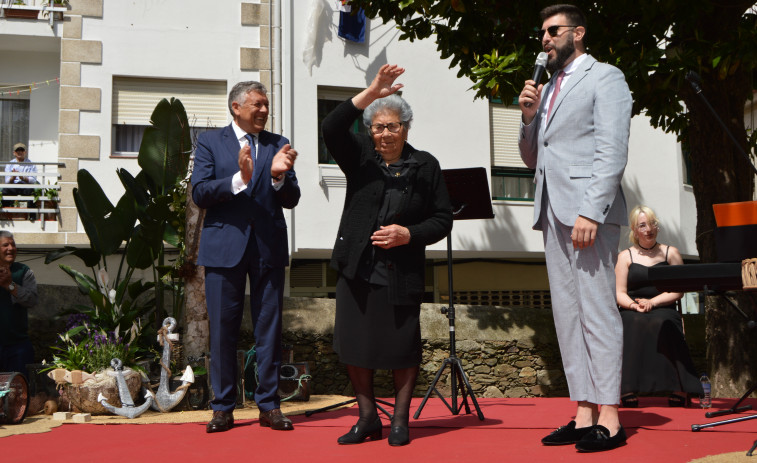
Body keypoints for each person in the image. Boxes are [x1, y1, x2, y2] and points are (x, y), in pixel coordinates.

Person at [518, 4, 632, 452]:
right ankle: (584, 411)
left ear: (578, 33)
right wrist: (528, 117)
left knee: (597, 311)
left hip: (588, 215)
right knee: (568, 316)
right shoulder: (546, 90)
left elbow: (612, 148)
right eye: (542, 32)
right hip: (551, 212)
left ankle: (611, 417)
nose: (545, 38)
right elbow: (534, 158)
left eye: (553, 30)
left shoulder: (606, 77)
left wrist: (592, 211)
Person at [321, 64, 452, 446]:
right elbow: (331, 126)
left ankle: (399, 420)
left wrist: (408, 233)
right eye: (378, 127)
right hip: (356, 268)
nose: (385, 133)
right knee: (355, 344)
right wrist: (373, 92)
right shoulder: (359, 155)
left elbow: (443, 219)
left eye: (392, 126)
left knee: (401, 347)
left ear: (406, 128)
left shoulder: (425, 165)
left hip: (401, 272)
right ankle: (366, 418)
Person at [191, 81, 300, 434]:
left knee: (269, 330)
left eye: (266, 104)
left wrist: (279, 177)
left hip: (268, 247)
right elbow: (200, 193)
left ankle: (269, 405)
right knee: (222, 331)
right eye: (257, 104)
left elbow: (291, 198)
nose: (264, 110)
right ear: (236, 107)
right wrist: (241, 178)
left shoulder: (278, 144)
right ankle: (222, 407)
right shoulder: (210, 142)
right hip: (224, 250)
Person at [615, 205, 703, 407]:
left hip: (663, 306)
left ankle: (680, 387)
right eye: (642, 225)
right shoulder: (624, 257)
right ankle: (626, 388)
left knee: (663, 321)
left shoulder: (671, 253)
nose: (649, 229)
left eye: (652, 223)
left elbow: (678, 291)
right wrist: (634, 305)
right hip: (632, 307)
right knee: (631, 321)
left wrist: (652, 302)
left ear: (657, 227)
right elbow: (619, 292)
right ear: (634, 230)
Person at [0, 231, 39, 373]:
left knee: (19, 390)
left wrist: (10, 285)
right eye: (5, 245)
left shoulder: (24, 271)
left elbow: (32, 300)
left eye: (13, 244)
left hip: (18, 346)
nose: (11, 248)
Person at [3, 143, 38, 210]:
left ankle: (32, 215)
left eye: (21, 150)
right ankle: (5, 214)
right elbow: (7, 181)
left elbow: (33, 180)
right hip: (14, 185)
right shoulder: (10, 164)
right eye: (17, 151)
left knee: (33, 191)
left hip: (26, 186)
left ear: (25, 152)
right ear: (14, 153)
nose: (19, 152)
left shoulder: (30, 164)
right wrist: (13, 177)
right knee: (5, 191)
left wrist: (23, 178)